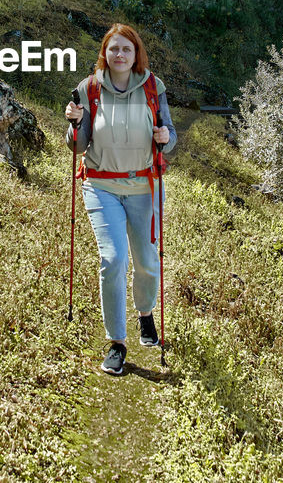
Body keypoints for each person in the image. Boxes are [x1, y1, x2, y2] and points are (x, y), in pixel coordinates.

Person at [65, 23, 177, 375]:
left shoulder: (153, 88)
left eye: (126, 49)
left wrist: (165, 136)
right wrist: (74, 124)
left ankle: (145, 314)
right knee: (113, 259)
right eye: (114, 49)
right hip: (101, 186)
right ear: (105, 52)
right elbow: (78, 145)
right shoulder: (89, 89)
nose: (120, 55)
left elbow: (169, 135)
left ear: (136, 54)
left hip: (144, 187)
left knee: (146, 260)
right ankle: (117, 342)